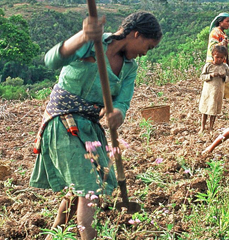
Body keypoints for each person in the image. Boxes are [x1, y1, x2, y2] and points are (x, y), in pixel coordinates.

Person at [29, 12, 162, 240]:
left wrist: (117, 112)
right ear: (136, 33)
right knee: (88, 188)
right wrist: (83, 36)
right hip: (63, 123)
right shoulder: (93, 43)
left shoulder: (129, 68)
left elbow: (123, 100)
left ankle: (54, 235)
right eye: (147, 47)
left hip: (90, 128)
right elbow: (51, 60)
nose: (143, 54)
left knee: (80, 187)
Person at [199, 45, 229, 134]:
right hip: (208, 92)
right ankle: (202, 127)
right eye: (217, 57)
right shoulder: (208, 66)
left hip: (218, 92)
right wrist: (211, 75)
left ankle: (211, 128)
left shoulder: (225, 67)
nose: (219, 59)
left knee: (214, 111)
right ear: (213, 55)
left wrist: (223, 76)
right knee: (205, 110)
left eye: (222, 58)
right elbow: (202, 76)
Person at [206, 12, 229, 101]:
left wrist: (228, 62)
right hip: (214, 63)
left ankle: (225, 100)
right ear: (220, 22)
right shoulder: (215, 32)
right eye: (227, 21)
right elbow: (212, 48)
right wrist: (222, 44)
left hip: (222, 63)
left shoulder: (222, 33)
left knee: (224, 83)